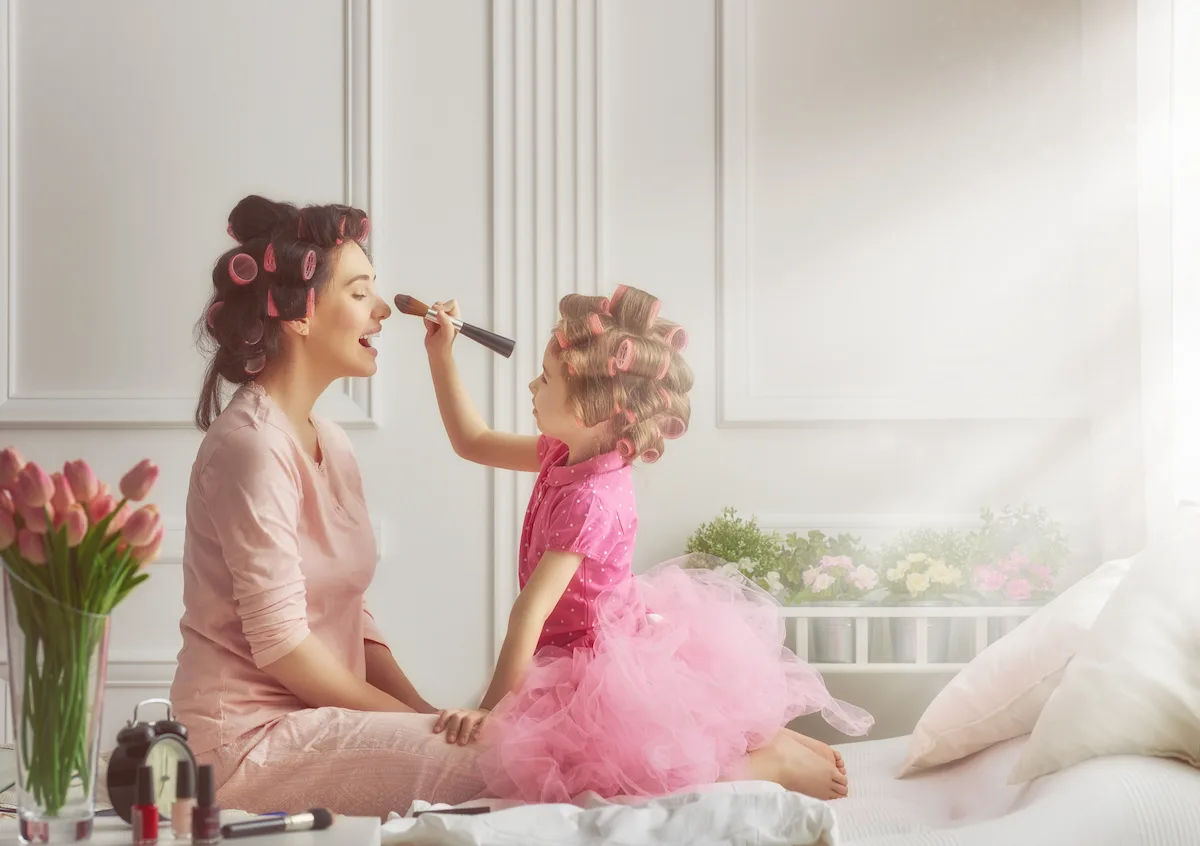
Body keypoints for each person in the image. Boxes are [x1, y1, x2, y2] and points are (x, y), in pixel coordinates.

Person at [419, 285, 874, 805]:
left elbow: (529, 612)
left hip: (597, 658)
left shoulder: (591, 498)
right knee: (656, 751)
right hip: (592, 637)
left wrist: (490, 710)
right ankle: (768, 744)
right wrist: (441, 354)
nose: (531, 384)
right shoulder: (564, 451)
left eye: (545, 379)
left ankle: (768, 762)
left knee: (633, 777)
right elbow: (472, 442)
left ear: (593, 409)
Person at [169, 195, 484, 818]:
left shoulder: (330, 441)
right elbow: (284, 645)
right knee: (505, 760)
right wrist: (411, 726)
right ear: (299, 316)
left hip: (317, 718)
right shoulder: (252, 446)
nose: (385, 308)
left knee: (499, 749)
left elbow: (350, 615)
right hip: (243, 745)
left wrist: (425, 715)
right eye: (361, 290)